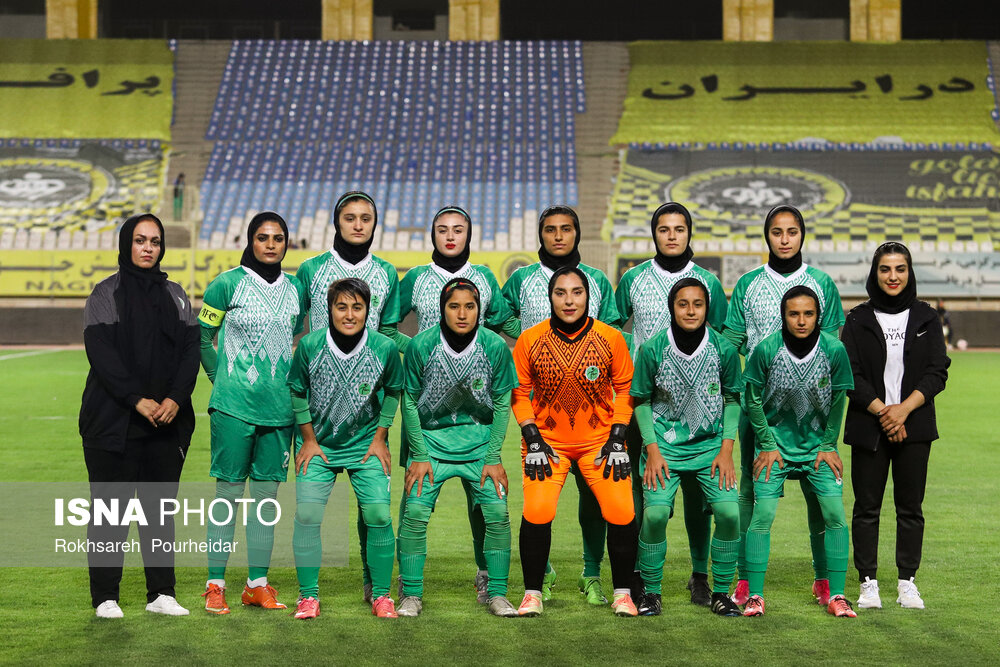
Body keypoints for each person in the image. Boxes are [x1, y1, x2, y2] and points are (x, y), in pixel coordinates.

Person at [724, 205, 845, 607]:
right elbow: (731, 342)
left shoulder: (822, 283)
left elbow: (828, 350)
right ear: (767, 236)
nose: (785, 238)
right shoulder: (747, 284)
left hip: (813, 412)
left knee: (818, 493)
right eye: (777, 231)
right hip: (758, 408)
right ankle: (745, 579)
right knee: (746, 489)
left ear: (802, 235)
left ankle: (824, 578)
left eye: (792, 231)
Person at [80, 213, 200, 618]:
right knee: (110, 512)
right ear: (125, 245)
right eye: (140, 240)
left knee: (159, 511)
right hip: (113, 423)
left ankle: (161, 594)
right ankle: (105, 597)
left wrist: (176, 399)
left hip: (166, 422)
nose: (148, 248)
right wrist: (137, 399)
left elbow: (190, 350)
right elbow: (102, 354)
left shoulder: (177, 295)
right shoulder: (104, 293)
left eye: (155, 241)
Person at [397, 206, 518, 603]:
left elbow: (503, 322)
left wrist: (543, 339)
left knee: (482, 503)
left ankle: (487, 574)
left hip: (476, 412)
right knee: (413, 501)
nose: (450, 236)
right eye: (442, 229)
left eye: (459, 229)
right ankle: (405, 579)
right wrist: (418, 354)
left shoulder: (484, 277)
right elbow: (383, 327)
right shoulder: (415, 278)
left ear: (469, 233)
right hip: (427, 410)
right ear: (432, 234)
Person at [502, 205, 620, 605]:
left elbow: (613, 333)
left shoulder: (599, 279)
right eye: (550, 229)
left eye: (566, 229)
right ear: (540, 234)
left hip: (593, 410)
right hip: (541, 411)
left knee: (596, 498)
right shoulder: (520, 278)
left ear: (577, 233)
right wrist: (527, 345)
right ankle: (543, 573)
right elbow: (500, 316)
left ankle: (592, 573)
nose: (558, 236)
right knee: (540, 504)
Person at [616, 202, 729, 606]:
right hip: (645, 402)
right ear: (654, 234)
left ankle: (700, 575)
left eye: (679, 228)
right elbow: (615, 330)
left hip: (700, 410)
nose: (671, 235)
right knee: (640, 490)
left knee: (701, 498)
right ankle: (640, 573)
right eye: (663, 229)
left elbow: (721, 339)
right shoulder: (632, 278)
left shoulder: (708, 283)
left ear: (689, 233)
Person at [296, 191, 404, 600]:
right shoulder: (311, 269)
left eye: (366, 218)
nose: (358, 225)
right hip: (319, 408)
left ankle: (372, 582)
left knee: (371, 505)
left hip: (366, 408)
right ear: (336, 222)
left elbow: (390, 334)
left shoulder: (387, 273)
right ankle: (311, 593)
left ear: (374, 224)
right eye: (350, 218)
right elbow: (294, 324)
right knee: (309, 511)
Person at [512, 267, 638, 617]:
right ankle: (533, 594)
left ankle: (623, 595)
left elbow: (627, 390)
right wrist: (531, 436)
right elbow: (520, 394)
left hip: (600, 442)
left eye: (577, 292)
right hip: (547, 443)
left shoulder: (612, 338)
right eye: (561, 293)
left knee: (622, 511)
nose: (569, 301)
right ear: (550, 297)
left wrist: (617, 436)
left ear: (589, 296)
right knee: (538, 512)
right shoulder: (529, 340)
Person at [197, 211, 306, 614]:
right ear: (251, 240)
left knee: (265, 501)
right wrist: (221, 381)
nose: (271, 244)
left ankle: (256, 584)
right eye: (263, 237)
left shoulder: (297, 289)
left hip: (280, 413)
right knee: (227, 494)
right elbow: (204, 339)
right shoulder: (226, 284)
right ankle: (214, 584)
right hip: (233, 409)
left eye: (279, 238)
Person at [840, 242, 949, 610]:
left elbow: (938, 371)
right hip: (869, 425)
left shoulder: (927, 318)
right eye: (885, 269)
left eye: (900, 269)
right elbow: (849, 375)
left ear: (909, 272)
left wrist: (903, 410)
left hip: (914, 425)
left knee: (910, 507)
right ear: (875, 273)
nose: (892, 276)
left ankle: (907, 582)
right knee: (866, 507)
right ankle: (868, 583)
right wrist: (884, 412)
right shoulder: (856, 319)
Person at [287, 278, 403, 620]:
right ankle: (308, 597)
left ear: (368, 311)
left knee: (379, 515)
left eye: (357, 307)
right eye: (342, 307)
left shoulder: (383, 348)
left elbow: (394, 391)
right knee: (307, 515)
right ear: (329, 309)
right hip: (318, 447)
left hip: (365, 445)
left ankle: (381, 595)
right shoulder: (309, 346)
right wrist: (308, 440)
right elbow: (297, 391)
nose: (349, 314)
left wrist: (380, 437)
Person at [631, 278, 744, 617]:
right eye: (683, 304)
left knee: (729, 514)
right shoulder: (652, 349)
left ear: (707, 307)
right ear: (672, 307)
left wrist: (726, 451)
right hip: (664, 450)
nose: (691, 310)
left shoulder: (723, 348)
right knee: (653, 515)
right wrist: (651, 449)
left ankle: (721, 593)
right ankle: (651, 592)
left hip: (711, 448)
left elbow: (732, 399)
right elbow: (641, 402)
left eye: (698, 303)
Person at [741, 286, 855, 618]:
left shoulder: (834, 350)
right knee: (762, 517)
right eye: (794, 314)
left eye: (808, 313)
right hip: (774, 450)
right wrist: (766, 443)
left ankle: (835, 594)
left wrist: (827, 444)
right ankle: (755, 596)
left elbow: (838, 399)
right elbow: (752, 399)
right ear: (783, 316)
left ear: (818, 315)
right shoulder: (766, 349)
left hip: (818, 451)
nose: (801, 320)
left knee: (833, 515)